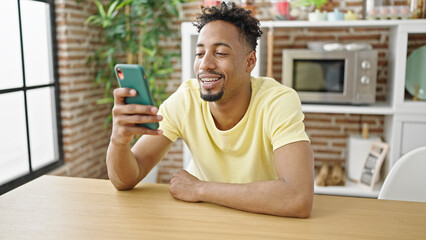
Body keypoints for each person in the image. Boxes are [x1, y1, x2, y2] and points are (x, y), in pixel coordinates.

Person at [106, 2, 314, 218]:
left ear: (250, 61)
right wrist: (118, 142)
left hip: (262, 218)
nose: (205, 64)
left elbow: (297, 198)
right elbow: (127, 179)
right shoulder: (186, 99)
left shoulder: (277, 101)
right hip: (203, 217)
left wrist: (200, 189)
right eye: (200, 53)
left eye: (221, 53)